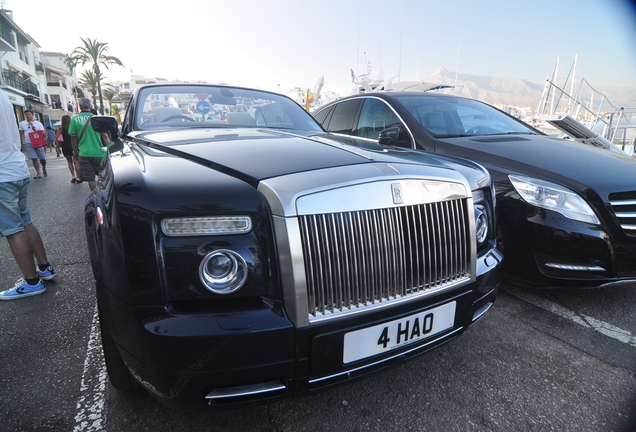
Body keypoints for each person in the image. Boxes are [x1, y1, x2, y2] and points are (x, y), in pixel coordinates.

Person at [0, 91, 57, 300]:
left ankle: (32, 282)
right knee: (25, 221)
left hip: (2, 174)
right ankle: (44, 268)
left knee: (12, 228)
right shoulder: (4, 96)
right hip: (16, 167)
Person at [69, 98, 109, 191]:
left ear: (80, 106)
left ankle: (96, 196)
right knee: (102, 176)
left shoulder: (74, 119)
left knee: (90, 178)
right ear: (91, 106)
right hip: (99, 153)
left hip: (84, 153)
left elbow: (73, 137)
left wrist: (75, 151)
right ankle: (103, 194)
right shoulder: (98, 119)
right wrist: (110, 148)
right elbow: (105, 137)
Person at [18, 110, 47, 179]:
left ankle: (44, 167)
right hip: (28, 142)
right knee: (34, 158)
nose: (28, 116)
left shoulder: (38, 123)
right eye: (26, 114)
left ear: (32, 115)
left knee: (42, 158)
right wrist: (20, 142)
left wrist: (35, 129)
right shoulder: (22, 124)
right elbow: (21, 133)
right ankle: (38, 172)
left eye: (29, 114)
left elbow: (43, 133)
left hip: (38, 142)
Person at [56, 115, 81, 183]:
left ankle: (73, 176)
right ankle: (78, 177)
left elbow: (57, 138)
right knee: (76, 161)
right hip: (74, 145)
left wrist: (57, 147)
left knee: (69, 161)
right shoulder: (73, 127)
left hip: (65, 145)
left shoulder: (61, 128)